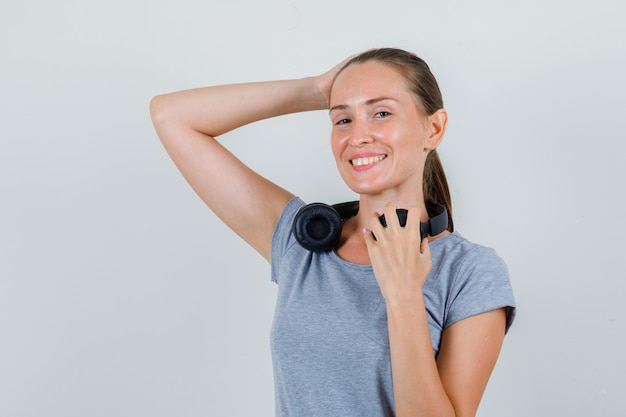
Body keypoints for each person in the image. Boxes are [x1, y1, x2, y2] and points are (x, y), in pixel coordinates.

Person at [150, 47, 516, 417]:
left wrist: (404, 295)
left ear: (433, 128)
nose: (357, 136)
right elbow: (171, 115)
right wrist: (318, 89)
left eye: (381, 113)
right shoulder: (302, 243)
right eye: (342, 120)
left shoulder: (471, 272)